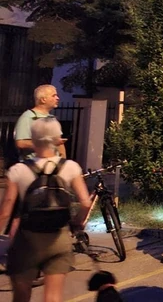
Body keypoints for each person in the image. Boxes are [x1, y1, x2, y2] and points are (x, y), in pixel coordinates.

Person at [0, 117, 91, 302]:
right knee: (53, 297)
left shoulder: (17, 170)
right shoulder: (71, 167)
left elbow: (6, 211)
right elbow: (86, 202)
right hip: (59, 238)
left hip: (27, 240)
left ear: (33, 139)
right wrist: (76, 223)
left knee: (21, 295)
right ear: (58, 139)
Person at [13, 84, 65, 159]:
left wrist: (63, 162)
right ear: (43, 99)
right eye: (53, 96)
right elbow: (20, 143)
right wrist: (45, 145)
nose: (57, 98)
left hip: (53, 165)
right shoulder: (28, 117)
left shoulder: (52, 118)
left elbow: (59, 143)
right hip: (33, 166)